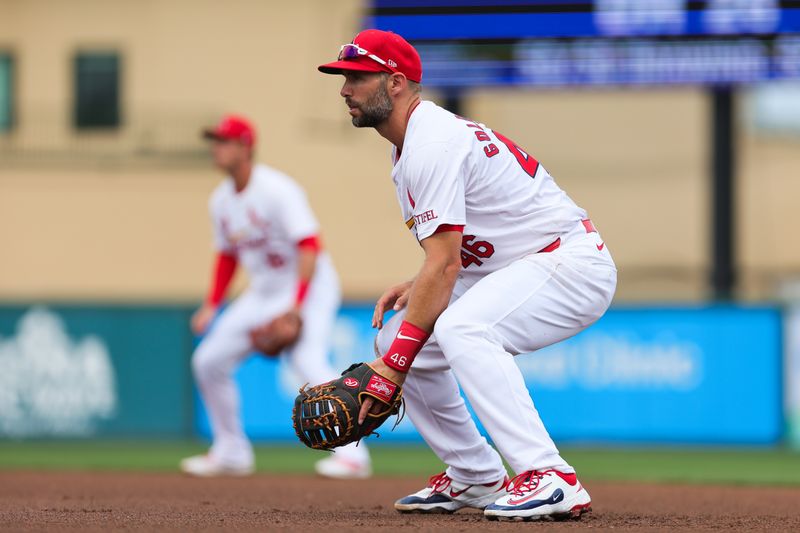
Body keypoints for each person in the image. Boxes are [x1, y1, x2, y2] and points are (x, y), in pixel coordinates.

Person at [317, 30, 616, 520]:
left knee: (460, 328)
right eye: (344, 77)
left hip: (571, 263)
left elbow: (445, 264)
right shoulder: (414, 142)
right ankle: (474, 475)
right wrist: (418, 295)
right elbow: (454, 253)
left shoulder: (430, 143)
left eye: (357, 76)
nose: (345, 88)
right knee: (398, 333)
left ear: (395, 83)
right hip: (525, 262)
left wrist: (393, 368)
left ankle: (550, 477)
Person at [180, 114, 371, 479]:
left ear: (246, 147)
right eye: (214, 141)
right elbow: (227, 256)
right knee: (208, 361)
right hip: (264, 290)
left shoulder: (276, 189)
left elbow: (310, 245)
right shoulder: (220, 201)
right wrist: (212, 305)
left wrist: (297, 306)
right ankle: (231, 451)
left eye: (224, 141)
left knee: (306, 359)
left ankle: (352, 456)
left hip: (308, 283)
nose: (215, 148)